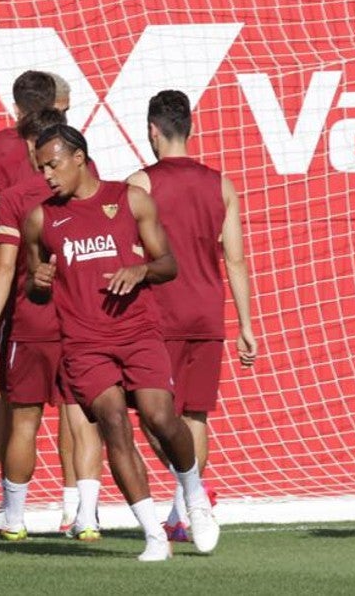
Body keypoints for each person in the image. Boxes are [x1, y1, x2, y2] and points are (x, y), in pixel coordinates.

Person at [20, 124, 219, 561]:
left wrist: (141, 270)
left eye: (53, 165)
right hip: (84, 343)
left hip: (138, 332)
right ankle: (154, 536)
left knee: (160, 416)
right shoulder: (40, 219)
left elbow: (168, 263)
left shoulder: (130, 199)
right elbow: (36, 287)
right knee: (113, 422)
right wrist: (37, 283)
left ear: (79, 158)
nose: (47, 175)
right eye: (41, 168)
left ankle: (194, 496)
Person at [126, 90, 258, 541]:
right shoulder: (221, 185)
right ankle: (187, 509)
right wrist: (245, 324)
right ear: (190, 128)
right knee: (194, 416)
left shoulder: (139, 184)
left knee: (153, 414)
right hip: (207, 314)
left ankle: (189, 500)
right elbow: (235, 259)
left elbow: (125, 253)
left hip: (156, 316)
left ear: (152, 130)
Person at [0, 108, 103, 542]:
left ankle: (15, 518)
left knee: (24, 422)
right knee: (83, 420)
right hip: (83, 323)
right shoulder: (93, 191)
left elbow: (3, 264)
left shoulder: (16, 198)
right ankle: (85, 516)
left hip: (32, 324)